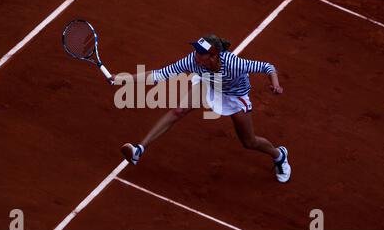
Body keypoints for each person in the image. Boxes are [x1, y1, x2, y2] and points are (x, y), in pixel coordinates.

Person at [112, 34, 291, 183]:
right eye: (196, 50)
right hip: (208, 85)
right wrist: (123, 79)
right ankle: (139, 149)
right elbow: (160, 74)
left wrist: (275, 85)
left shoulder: (234, 64)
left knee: (249, 142)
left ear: (213, 56)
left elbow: (267, 67)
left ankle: (279, 155)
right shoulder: (194, 60)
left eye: (200, 53)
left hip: (234, 97)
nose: (195, 55)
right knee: (178, 111)